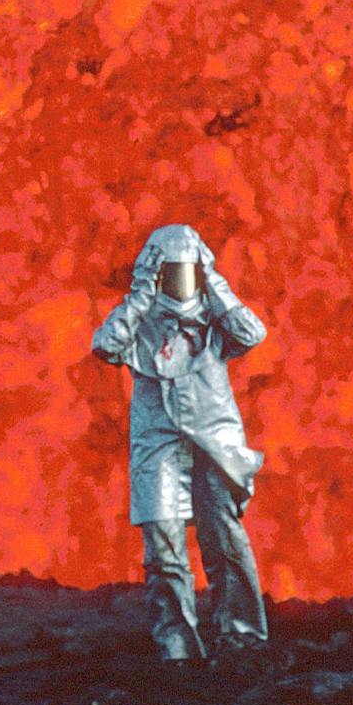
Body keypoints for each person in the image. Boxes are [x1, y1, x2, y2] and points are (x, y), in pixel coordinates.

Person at [90, 223, 271, 661]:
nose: (180, 281)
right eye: (170, 271)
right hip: (159, 439)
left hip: (213, 435)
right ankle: (177, 646)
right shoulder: (141, 319)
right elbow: (105, 345)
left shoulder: (214, 316)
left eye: (187, 270)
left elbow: (252, 334)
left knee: (223, 535)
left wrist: (215, 286)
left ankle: (241, 634)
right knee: (163, 539)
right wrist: (140, 298)